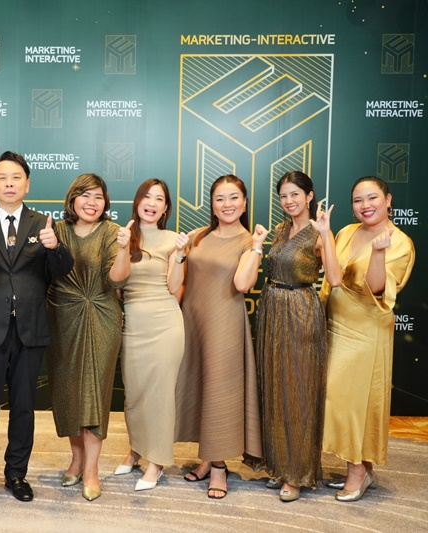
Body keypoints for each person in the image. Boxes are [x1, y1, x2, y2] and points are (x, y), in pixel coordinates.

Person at [0, 151, 74, 510]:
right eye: (2, 178)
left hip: (30, 329)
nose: (9, 183)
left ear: (27, 184)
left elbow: (63, 270)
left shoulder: (43, 224)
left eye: (16, 177)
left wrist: (55, 247)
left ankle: (17, 474)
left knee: (23, 407)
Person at [321, 176, 414, 502]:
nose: (365, 205)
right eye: (358, 200)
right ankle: (366, 468)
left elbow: (377, 288)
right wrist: (324, 235)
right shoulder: (347, 232)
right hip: (336, 323)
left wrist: (377, 253)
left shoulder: (399, 242)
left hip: (366, 331)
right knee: (352, 399)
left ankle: (357, 472)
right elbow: (332, 276)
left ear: (388, 200)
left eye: (372, 198)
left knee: (350, 401)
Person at [174, 174, 266, 500]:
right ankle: (206, 458)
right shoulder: (198, 235)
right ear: (212, 205)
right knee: (199, 387)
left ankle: (218, 467)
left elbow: (242, 285)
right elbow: (181, 279)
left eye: (233, 198)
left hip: (224, 324)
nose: (227, 204)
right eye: (220, 199)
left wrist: (256, 247)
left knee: (219, 393)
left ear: (244, 202)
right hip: (192, 321)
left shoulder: (248, 241)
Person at [255, 171, 341, 502]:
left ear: (309, 196)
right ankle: (279, 465)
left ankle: (297, 472)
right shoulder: (280, 229)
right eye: (283, 195)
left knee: (299, 391)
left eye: (295, 194)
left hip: (300, 310)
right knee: (275, 388)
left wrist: (327, 234)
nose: (289, 201)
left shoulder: (318, 232)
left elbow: (335, 277)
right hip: (272, 309)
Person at [45, 173, 132, 501]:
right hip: (62, 316)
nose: (92, 202)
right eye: (85, 195)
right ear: (72, 199)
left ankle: (92, 469)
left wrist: (124, 249)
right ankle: (77, 460)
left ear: (105, 202)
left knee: (93, 393)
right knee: (68, 391)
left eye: (98, 196)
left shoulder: (112, 232)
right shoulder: (57, 230)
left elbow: (116, 280)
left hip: (101, 315)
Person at [115, 179, 187, 492]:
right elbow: (117, 286)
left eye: (159, 199)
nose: (152, 203)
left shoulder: (173, 239)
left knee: (160, 395)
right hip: (133, 324)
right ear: (137, 201)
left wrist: (181, 255)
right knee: (134, 393)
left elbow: (174, 286)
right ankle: (136, 450)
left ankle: (156, 461)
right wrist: (121, 248)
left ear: (166, 208)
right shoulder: (123, 236)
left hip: (165, 324)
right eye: (147, 196)